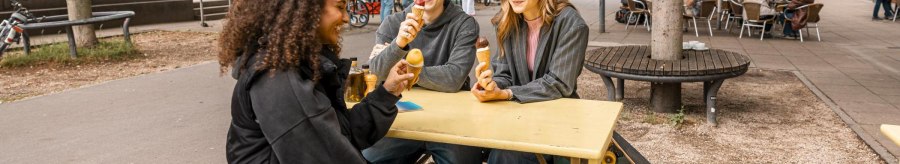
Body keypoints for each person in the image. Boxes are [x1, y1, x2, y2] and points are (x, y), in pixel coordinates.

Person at [219, 0, 416, 163]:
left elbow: (342, 134)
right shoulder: (279, 79)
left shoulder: (298, 62)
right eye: (340, 7)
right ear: (306, 8)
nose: (346, 18)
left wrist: (387, 92)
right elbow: (329, 154)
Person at [363, 0, 484, 163]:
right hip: (402, 119)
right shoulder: (393, 22)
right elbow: (376, 73)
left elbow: (454, 77)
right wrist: (399, 43)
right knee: (367, 158)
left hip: (451, 119)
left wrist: (405, 69)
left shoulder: (464, 24)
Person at [474, 0, 588, 162]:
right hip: (516, 118)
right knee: (465, 144)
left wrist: (507, 93)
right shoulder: (506, 21)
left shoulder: (571, 23)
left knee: (505, 156)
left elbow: (559, 83)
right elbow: (505, 74)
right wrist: (491, 86)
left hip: (556, 122)